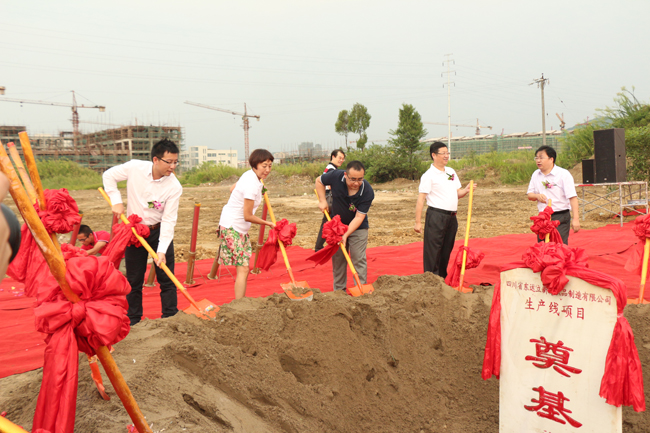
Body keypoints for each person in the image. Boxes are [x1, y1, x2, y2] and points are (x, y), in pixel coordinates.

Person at [102, 139, 183, 326]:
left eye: (175, 162)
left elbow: (169, 220)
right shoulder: (135, 168)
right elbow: (108, 176)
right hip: (135, 232)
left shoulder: (174, 187)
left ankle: (170, 318)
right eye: (168, 162)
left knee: (166, 276)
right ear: (155, 160)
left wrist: (161, 250)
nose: (172, 166)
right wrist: (116, 200)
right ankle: (133, 320)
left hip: (158, 230)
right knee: (134, 278)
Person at [218, 149, 276, 300]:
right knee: (243, 269)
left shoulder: (250, 175)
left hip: (239, 227)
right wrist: (268, 223)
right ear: (255, 164)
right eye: (264, 166)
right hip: (232, 226)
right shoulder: (251, 183)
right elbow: (248, 215)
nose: (267, 170)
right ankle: (239, 304)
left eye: (270, 166)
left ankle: (241, 302)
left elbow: (232, 189)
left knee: (244, 268)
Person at [414, 142, 475, 278]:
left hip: (451, 217)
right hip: (436, 215)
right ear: (434, 155)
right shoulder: (428, 175)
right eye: (443, 153)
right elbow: (421, 199)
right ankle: (431, 278)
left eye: (447, 153)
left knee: (446, 249)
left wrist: (466, 190)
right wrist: (417, 222)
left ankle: (442, 277)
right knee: (433, 250)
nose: (446, 156)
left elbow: (457, 193)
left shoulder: (450, 172)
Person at [316, 160, 375, 291]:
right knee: (338, 259)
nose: (356, 183)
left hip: (358, 228)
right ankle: (339, 290)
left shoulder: (367, 191)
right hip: (337, 227)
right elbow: (319, 181)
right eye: (353, 179)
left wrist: (346, 234)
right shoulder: (335, 176)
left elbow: (359, 217)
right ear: (345, 175)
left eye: (360, 179)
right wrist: (322, 200)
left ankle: (360, 289)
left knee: (358, 258)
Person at [527, 145, 580, 244]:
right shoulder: (536, 174)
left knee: (558, 246)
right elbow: (530, 194)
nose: (538, 160)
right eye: (536, 158)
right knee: (543, 247)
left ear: (551, 159)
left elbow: (572, 197)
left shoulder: (563, 174)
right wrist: (537, 196)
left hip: (560, 215)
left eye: (541, 157)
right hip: (543, 217)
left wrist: (575, 219)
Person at [315, 149, 346, 251]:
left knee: (327, 222)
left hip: (330, 198)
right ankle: (321, 246)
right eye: (339, 158)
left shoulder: (332, 168)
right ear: (333, 157)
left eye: (343, 159)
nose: (341, 160)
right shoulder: (331, 169)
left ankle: (319, 247)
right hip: (331, 199)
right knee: (332, 222)